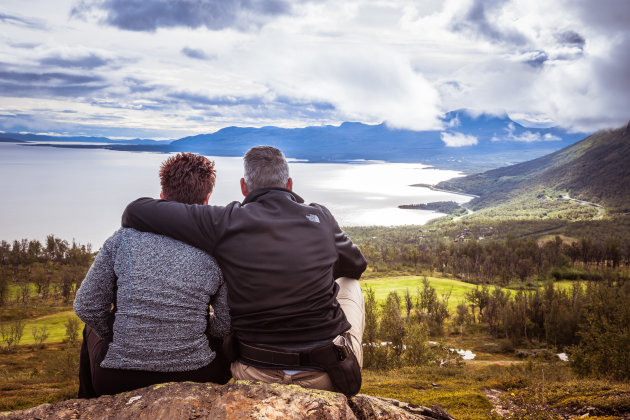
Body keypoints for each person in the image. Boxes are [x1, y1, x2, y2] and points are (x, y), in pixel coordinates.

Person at [122, 145, 367, 395]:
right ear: (289, 184)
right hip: (323, 373)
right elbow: (356, 266)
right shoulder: (321, 217)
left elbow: (135, 210)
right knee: (351, 284)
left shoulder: (225, 222)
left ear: (244, 187)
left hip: (255, 372)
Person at [74, 152, 231, 398]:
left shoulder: (123, 240)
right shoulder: (215, 249)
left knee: (88, 328)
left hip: (119, 377)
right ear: (207, 199)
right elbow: (225, 323)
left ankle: (86, 405)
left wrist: (117, 335)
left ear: (162, 195)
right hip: (198, 372)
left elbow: (86, 306)